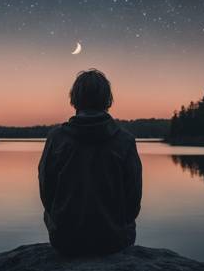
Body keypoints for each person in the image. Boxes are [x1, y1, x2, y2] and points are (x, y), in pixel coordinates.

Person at [38, 68, 142, 256]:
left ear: (74, 98)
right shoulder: (125, 140)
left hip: (66, 241)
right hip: (113, 241)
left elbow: (46, 190)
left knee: (49, 213)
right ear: (107, 99)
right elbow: (133, 198)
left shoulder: (57, 138)